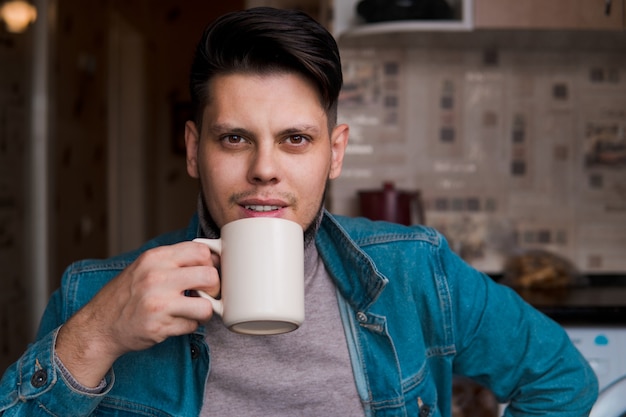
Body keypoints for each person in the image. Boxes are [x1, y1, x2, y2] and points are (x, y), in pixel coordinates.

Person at [0, 7, 597, 417]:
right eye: (234, 139)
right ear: (192, 150)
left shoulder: (419, 271)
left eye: (295, 139)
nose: (265, 168)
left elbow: (561, 377)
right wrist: (97, 336)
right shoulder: (93, 298)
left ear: (333, 153)